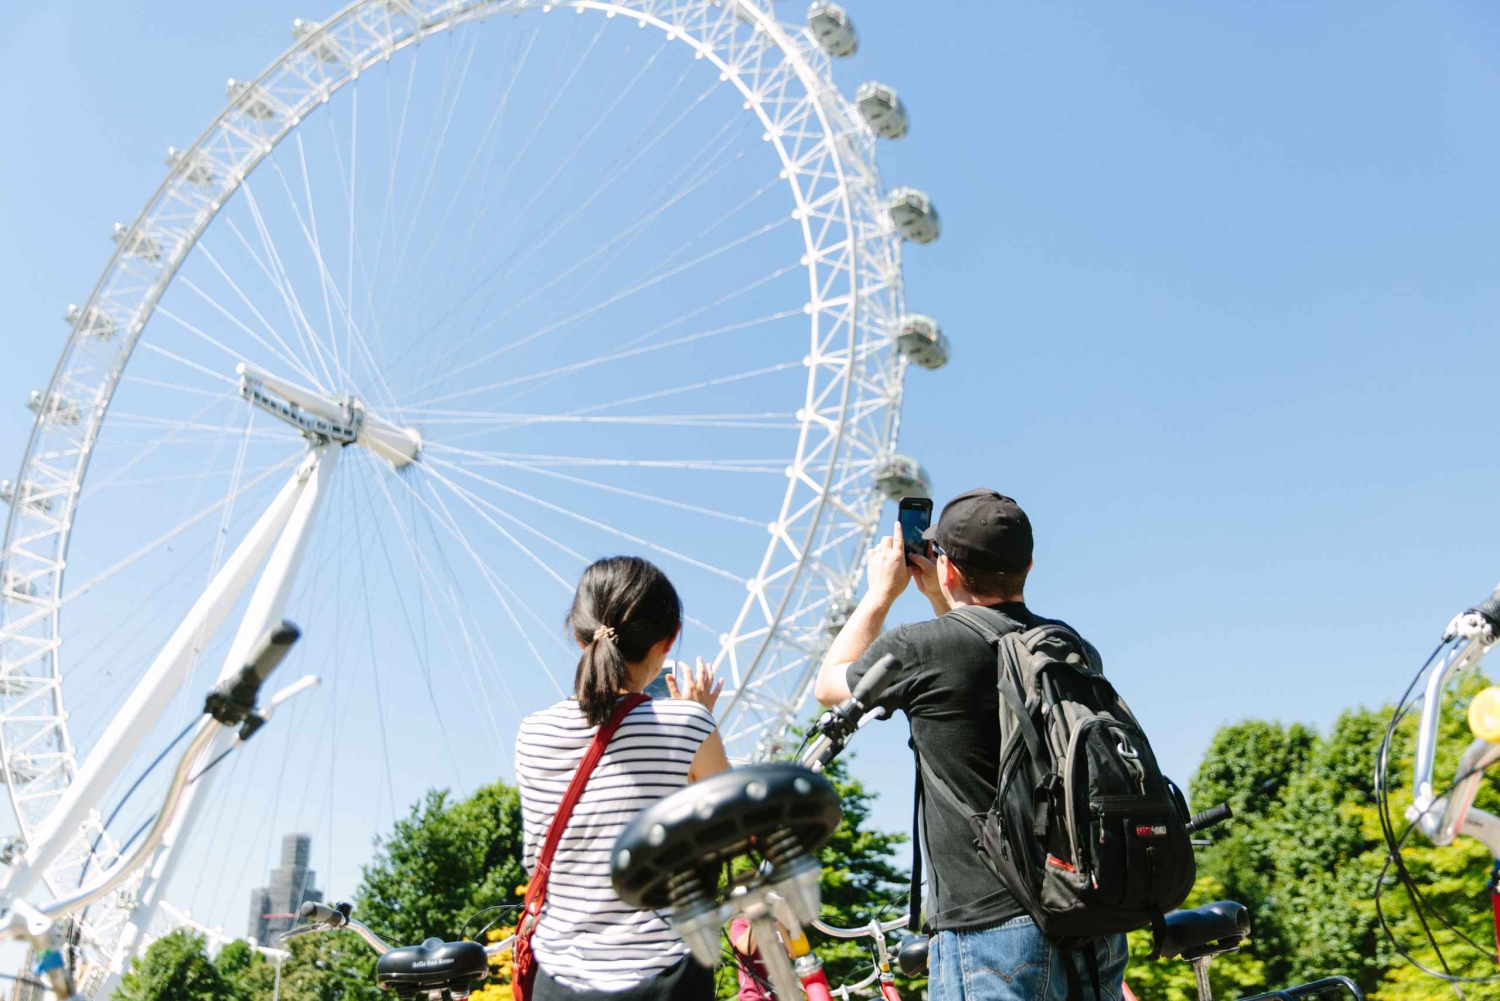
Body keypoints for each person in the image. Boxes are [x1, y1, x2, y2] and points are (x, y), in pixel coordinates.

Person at [813, 489, 1128, 1001]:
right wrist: (945, 596)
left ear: (949, 570)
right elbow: (982, 641)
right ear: (1027, 564)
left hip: (990, 925)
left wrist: (881, 594)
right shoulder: (1068, 644)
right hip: (1088, 911)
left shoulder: (920, 648)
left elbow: (830, 684)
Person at [515, 556, 729, 1001]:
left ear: (577, 635)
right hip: (662, 974)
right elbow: (728, 832)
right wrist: (700, 717)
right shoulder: (687, 724)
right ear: (667, 641)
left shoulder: (532, 732)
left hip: (557, 977)